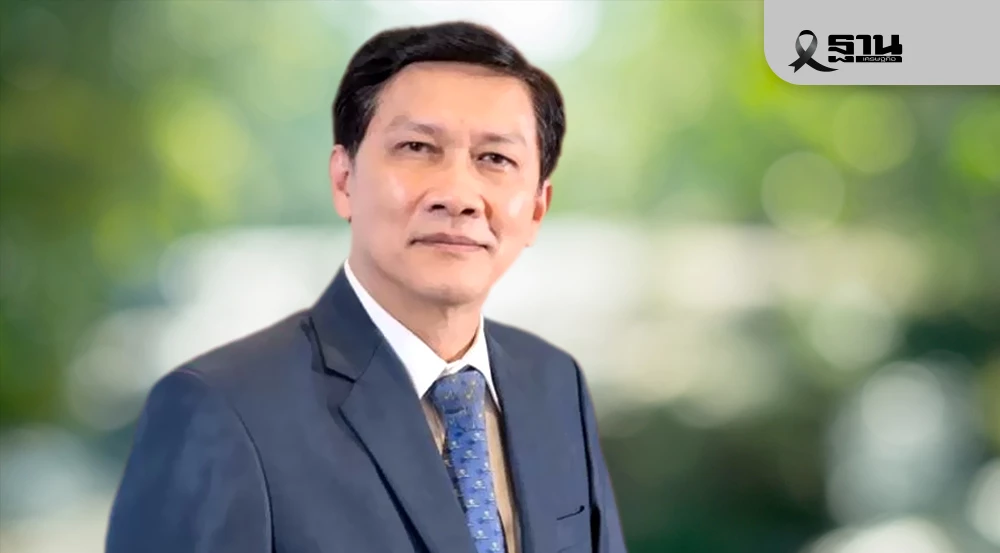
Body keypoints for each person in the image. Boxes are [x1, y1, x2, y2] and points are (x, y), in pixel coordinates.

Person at [105, 20, 626, 553]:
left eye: (495, 158)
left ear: (537, 208)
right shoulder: (218, 410)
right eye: (417, 147)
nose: (458, 195)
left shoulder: (555, 384)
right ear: (344, 179)